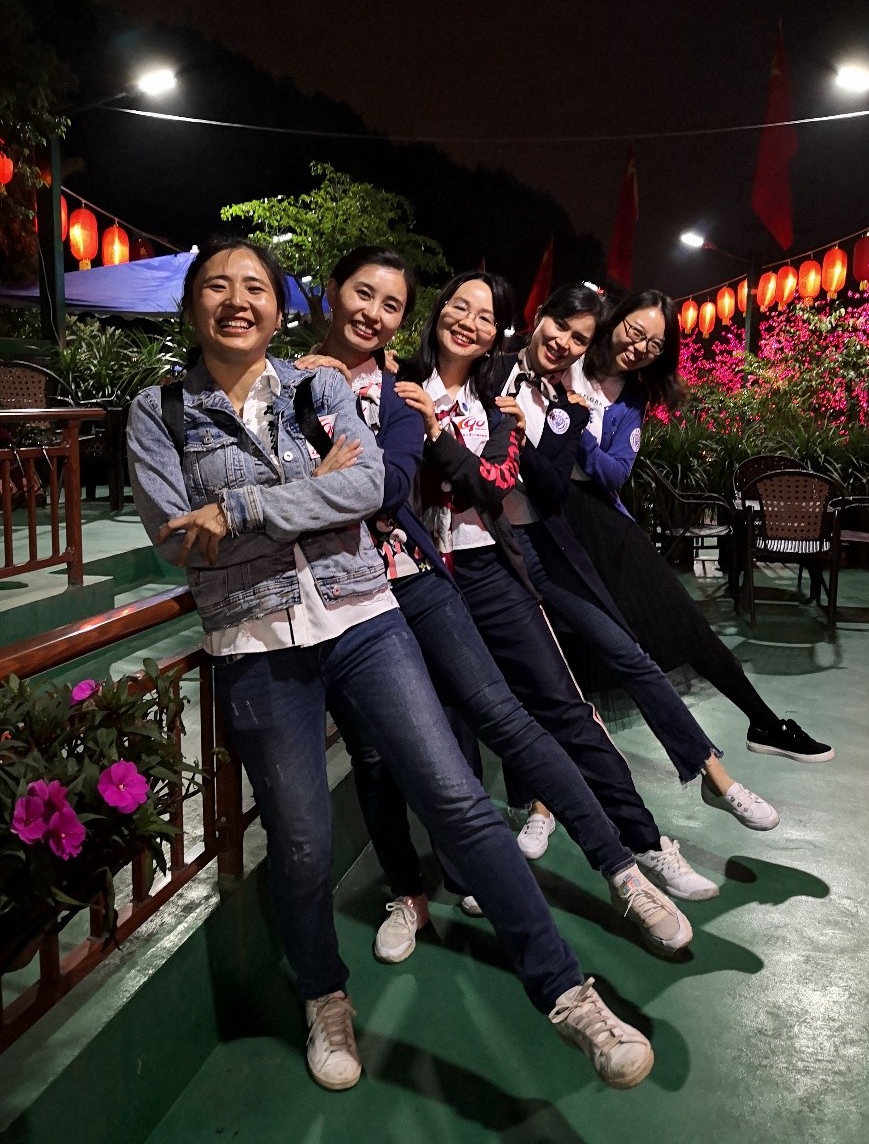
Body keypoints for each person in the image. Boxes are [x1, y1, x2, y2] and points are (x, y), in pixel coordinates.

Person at [126, 237, 657, 1093]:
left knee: (459, 801)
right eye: (216, 286)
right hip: (255, 645)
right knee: (302, 844)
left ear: (279, 306)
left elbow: (367, 489)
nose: (236, 300)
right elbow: (176, 539)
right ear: (192, 304)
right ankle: (323, 994)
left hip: (365, 617)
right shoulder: (159, 411)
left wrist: (236, 509)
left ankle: (567, 993)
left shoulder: (319, 387)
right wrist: (299, 495)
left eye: (254, 286)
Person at [296, 247, 693, 962]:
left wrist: (439, 436)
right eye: (460, 307)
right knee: (397, 749)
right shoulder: (386, 381)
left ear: (499, 331)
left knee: (524, 715)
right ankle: (425, 887)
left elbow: (487, 482)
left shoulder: (491, 400)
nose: (470, 323)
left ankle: (628, 861)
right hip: (365, 583)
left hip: (458, 570)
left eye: (486, 317)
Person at [395, 274, 775, 910]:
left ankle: (663, 823)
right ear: (538, 316)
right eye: (561, 327)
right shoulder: (483, 372)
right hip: (445, 562)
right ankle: (497, 848)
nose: (566, 343)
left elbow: (546, 487)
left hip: (530, 552)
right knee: (477, 710)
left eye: (579, 338)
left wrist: (526, 435)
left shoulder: (569, 404)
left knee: (598, 675)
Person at [562, 288, 833, 764]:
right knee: (567, 645)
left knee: (683, 621)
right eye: (635, 332)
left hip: (604, 523)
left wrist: (576, 426)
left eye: (653, 345)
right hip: (552, 519)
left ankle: (764, 722)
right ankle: (561, 776)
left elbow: (613, 473)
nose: (639, 348)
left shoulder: (632, 397)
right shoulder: (569, 358)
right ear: (615, 319)